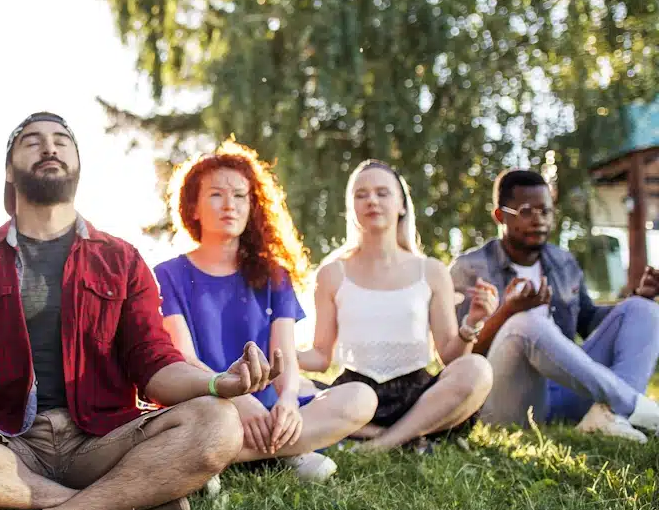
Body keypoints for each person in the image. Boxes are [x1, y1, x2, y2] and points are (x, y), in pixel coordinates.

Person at [0, 113, 274, 510]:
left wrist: (216, 384)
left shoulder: (122, 259)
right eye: (33, 142)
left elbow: (155, 366)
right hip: (8, 447)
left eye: (62, 140)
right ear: (9, 169)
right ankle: (121, 507)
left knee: (219, 423)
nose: (49, 148)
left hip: (101, 442)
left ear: (78, 164)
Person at [156, 141, 376, 481]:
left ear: (252, 206)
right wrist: (234, 396)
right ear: (193, 208)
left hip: (268, 410)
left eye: (240, 196)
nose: (230, 205)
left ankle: (220, 458)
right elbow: (183, 358)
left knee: (360, 397)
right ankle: (286, 452)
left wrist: (287, 400)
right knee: (210, 418)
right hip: (209, 402)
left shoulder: (274, 274)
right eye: (216, 194)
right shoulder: (167, 274)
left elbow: (283, 354)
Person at [299, 160, 495, 451]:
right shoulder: (331, 273)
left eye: (382, 192)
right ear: (351, 207)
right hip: (353, 394)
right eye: (361, 194)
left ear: (402, 204)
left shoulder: (431, 271)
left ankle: (381, 442)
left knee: (477, 370)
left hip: (416, 397)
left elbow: (450, 357)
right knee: (294, 385)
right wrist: (278, 357)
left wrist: (473, 322)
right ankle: (402, 436)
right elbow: (320, 356)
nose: (372, 201)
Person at [451, 168, 659, 440]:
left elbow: (590, 320)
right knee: (525, 323)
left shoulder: (562, 262)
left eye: (546, 211)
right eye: (527, 211)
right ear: (500, 216)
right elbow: (457, 358)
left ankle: (612, 416)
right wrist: (507, 312)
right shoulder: (468, 269)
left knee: (642, 310)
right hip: (508, 401)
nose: (539, 220)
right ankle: (636, 408)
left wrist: (638, 297)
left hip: (566, 391)